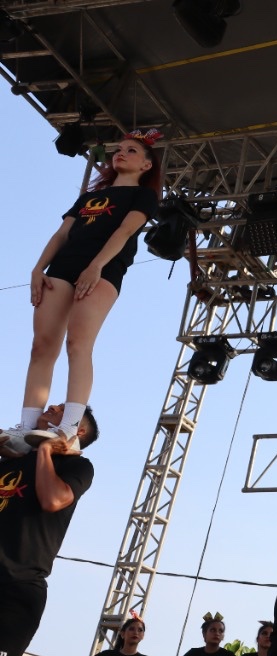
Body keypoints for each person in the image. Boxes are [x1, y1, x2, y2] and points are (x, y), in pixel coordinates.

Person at [0, 130, 162, 455]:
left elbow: (125, 231)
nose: (120, 153)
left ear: (146, 165)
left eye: (131, 150)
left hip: (103, 269)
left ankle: (69, 428)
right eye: (118, 149)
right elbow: (62, 233)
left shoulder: (143, 196)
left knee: (78, 343)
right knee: (41, 346)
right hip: (62, 267)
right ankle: (26, 427)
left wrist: (97, 265)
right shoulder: (89, 198)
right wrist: (37, 268)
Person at [0, 404, 99, 656]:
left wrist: (44, 450)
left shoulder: (78, 467)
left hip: (16, 589)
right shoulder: (13, 459)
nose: (53, 407)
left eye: (63, 410)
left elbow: (53, 499)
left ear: (76, 431)